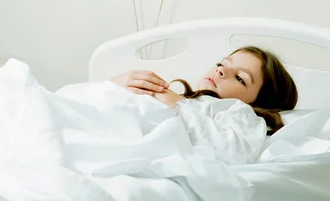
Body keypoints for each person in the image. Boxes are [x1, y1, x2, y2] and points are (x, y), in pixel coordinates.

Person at [109, 46, 298, 164]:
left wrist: (177, 104)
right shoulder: (187, 99)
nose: (221, 70)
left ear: (259, 103)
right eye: (222, 64)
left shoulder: (239, 112)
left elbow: (231, 152)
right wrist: (116, 83)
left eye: (240, 78)